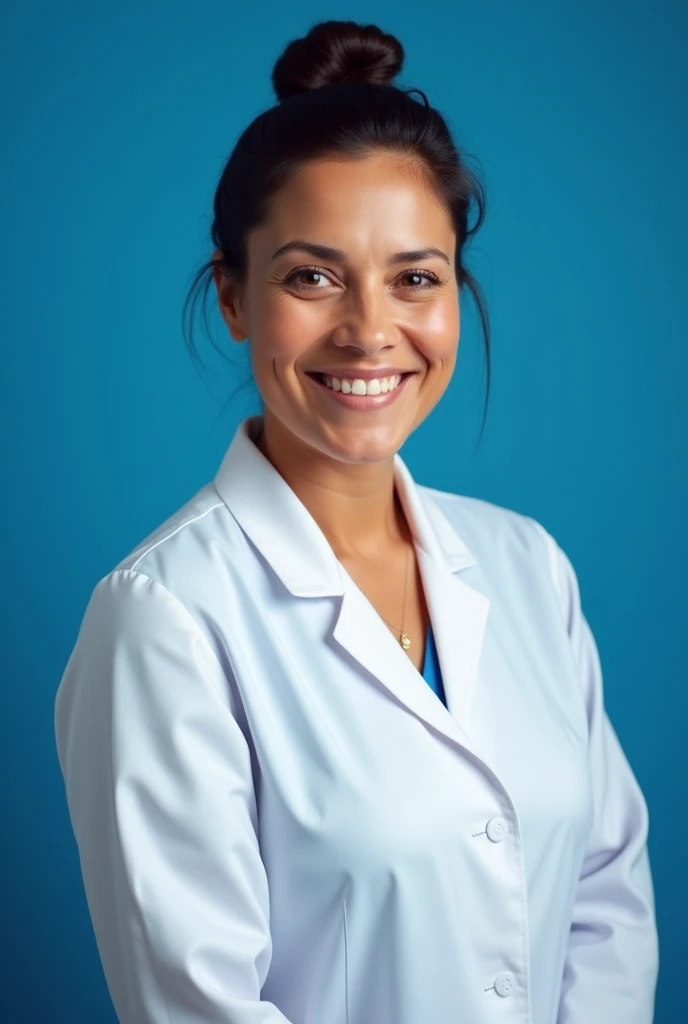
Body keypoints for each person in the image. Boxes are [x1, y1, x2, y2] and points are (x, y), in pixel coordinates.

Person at [54, 18, 659, 1024]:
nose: (370, 329)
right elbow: (199, 1003)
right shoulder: (163, 615)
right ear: (235, 297)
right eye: (311, 275)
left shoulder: (525, 565)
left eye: (415, 277)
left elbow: (604, 894)